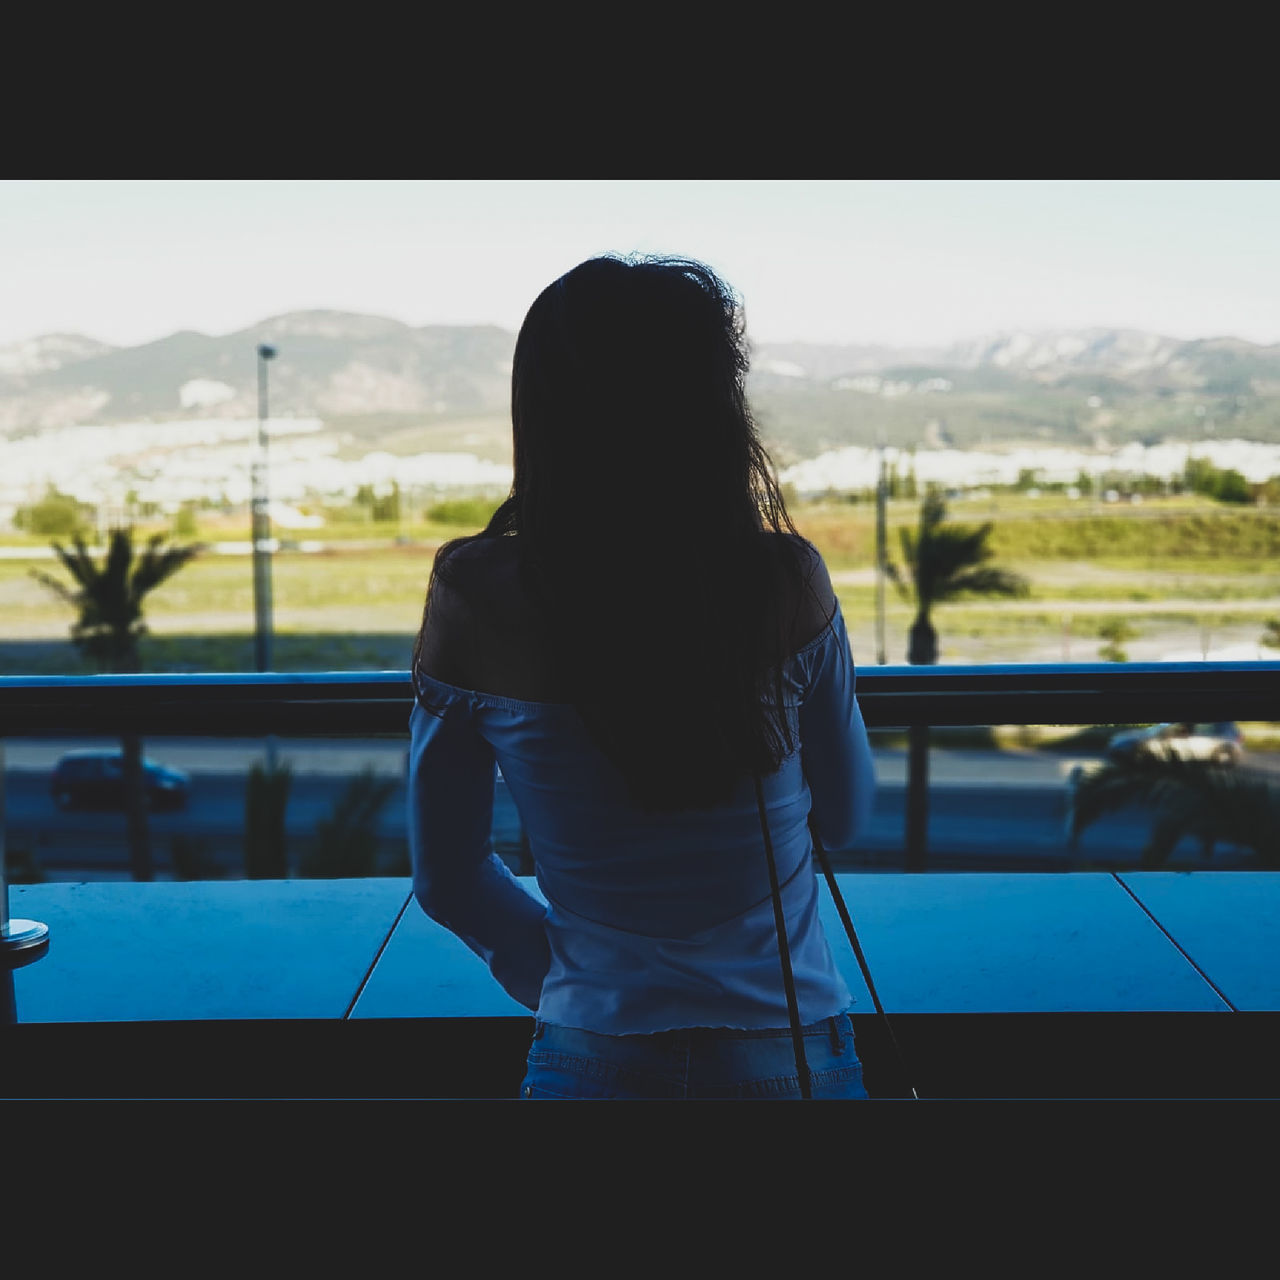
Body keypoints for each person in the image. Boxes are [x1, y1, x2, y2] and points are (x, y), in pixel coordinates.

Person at [408, 254, 876, 1099]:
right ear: (715, 409)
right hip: (790, 1046)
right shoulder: (784, 585)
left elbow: (447, 877)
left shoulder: (476, 596)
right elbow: (844, 817)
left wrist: (567, 977)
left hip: (588, 1046)